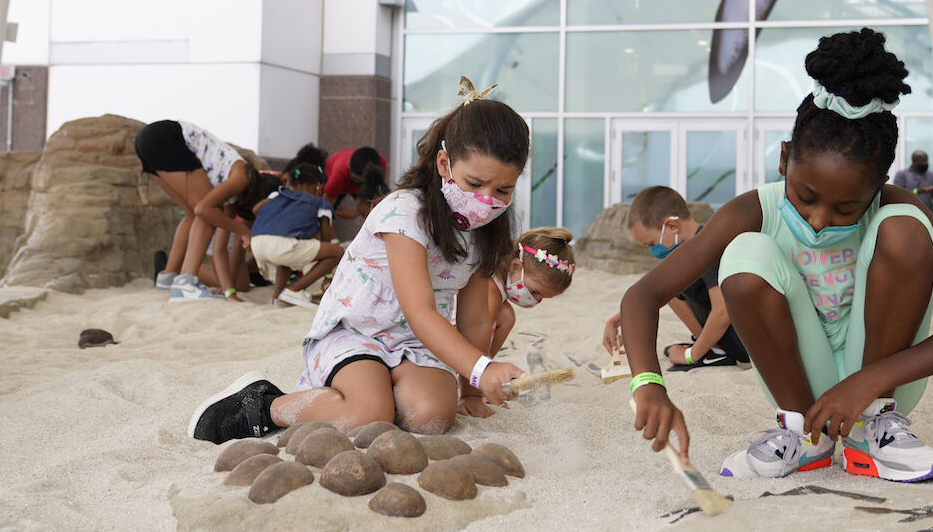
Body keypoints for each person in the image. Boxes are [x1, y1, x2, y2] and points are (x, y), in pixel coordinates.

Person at [621, 29, 933, 483]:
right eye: (805, 196)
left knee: (906, 227)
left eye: (847, 209)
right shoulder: (754, 209)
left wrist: (870, 382)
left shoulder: (897, 204)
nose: (820, 219)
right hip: (801, 388)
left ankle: (871, 431)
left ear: (878, 183)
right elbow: (643, 295)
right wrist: (648, 383)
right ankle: (805, 437)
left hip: (882, 384)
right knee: (745, 252)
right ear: (784, 158)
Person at [188, 78, 531, 442]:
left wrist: (474, 390)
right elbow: (421, 311)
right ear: (445, 164)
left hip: (416, 344)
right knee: (366, 415)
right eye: (474, 183)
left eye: (502, 190)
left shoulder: (486, 231)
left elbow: (476, 319)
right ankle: (265, 404)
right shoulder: (405, 213)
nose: (486, 200)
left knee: (431, 417)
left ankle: (374, 392)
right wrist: (483, 368)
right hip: (355, 333)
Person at [601, 186, 749, 371]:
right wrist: (614, 322)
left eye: (652, 244)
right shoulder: (692, 249)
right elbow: (653, 291)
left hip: (745, 344)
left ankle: (714, 353)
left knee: (668, 287)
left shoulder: (707, 248)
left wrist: (690, 355)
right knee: (666, 283)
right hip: (736, 336)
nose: (653, 251)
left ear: (672, 226)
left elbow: (722, 311)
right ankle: (710, 347)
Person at [136, 120, 277, 302]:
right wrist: (243, 231)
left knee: (193, 213)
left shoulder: (231, 198)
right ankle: (185, 283)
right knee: (208, 209)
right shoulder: (242, 176)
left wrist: (230, 293)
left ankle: (167, 277)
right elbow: (205, 209)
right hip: (166, 137)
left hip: (147, 140)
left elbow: (218, 251)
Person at [459, 227, 578, 418]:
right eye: (535, 291)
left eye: (541, 299)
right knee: (504, 317)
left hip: (466, 347)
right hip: (450, 342)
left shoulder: (499, 287)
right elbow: (474, 339)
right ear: (515, 267)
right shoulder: (490, 289)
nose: (535, 301)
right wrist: (479, 385)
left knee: (506, 316)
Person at [249, 163, 345, 308]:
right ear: (316, 185)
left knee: (285, 260)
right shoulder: (320, 203)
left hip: (257, 243)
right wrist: (328, 275)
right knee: (337, 252)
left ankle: (276, 298)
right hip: (282, 245)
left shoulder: (277, 194)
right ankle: (294, 290)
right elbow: (326, 241)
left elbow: (256, 209)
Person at [325, 147, 390, 220]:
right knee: (328, 213)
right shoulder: (338, 175)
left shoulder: (379, 165)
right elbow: (324, 208)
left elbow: (377, 196)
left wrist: (354, 213)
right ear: (348, 165)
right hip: (338, 181)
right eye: (355, 180)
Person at [892, 150, 933, 214]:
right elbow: (898, 196)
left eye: (926, 162)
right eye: (922, 163)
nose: (925, 164)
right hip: (908, 213)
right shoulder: (902, 175)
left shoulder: (931, 176)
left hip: (928, 213)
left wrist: (932, 192)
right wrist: (918, 191)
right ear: (914, 162)